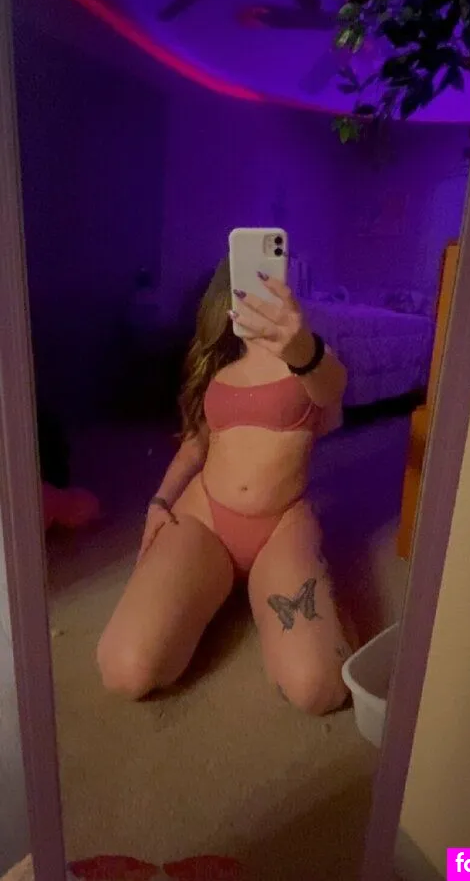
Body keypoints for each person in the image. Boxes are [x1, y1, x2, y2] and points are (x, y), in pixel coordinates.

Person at [97, 258, 355, 715]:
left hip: (281, 525)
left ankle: (267, 586)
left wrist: (303, 349)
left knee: (320, 689)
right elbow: (195, 446)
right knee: (125, 671)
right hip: (206, 518)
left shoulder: (312, 356)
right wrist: (159, 501)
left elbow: (332, 388)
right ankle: (216, 585)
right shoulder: (219, 361)